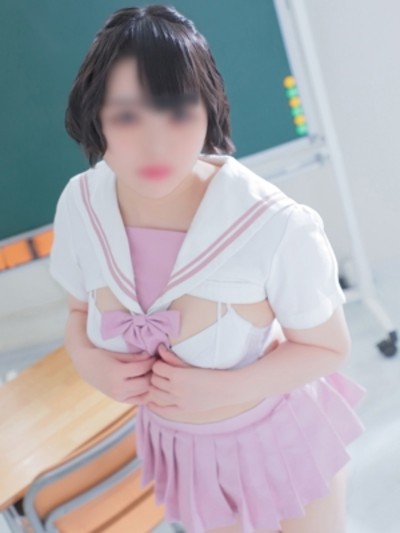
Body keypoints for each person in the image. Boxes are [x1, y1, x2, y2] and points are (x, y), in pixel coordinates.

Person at [49, 5, 367, 533]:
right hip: (182, 455)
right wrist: (90, 362)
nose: (156, 144)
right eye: (127, 116)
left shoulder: (275, 224)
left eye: (177, 112)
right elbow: (78, 310)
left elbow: (329, 348)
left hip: (281, 445)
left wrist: (226, 390)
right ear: (95, 116)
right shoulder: (81, 204)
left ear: (208, 110)